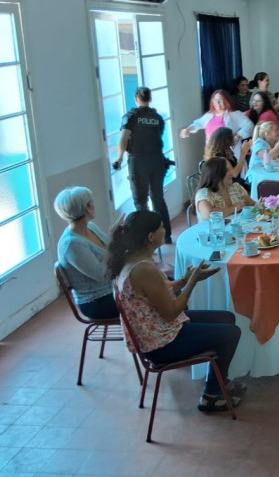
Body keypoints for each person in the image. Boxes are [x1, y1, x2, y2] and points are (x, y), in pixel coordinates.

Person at [107, 210, 244, 413]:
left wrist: (183, 280)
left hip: (157, 329)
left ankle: (219, 379)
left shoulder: (131, 259)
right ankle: (212, 394)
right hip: (160, 343)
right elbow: (171, 312)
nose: (165, 229)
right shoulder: (144, 269)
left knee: (227, 318)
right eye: (161, 227)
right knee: (231, 333)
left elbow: (155, 293)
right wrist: (192, 283)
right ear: (151, 237)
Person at [111, 86, 172, 243]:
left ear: (136, 99)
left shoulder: (131, 116)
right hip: (157, 160)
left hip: (139, 161)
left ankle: (147, 238)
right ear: (149, 99)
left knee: (140, 201)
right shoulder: (157, 118)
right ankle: (166, 235)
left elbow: (123, 140)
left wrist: (118, 159)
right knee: (158, 198)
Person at [54, 187, 118, 319]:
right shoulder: (72, 244)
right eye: (92, 202)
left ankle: (160, 334)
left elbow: (113, 252)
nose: (94, 205)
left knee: (160, 284)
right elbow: (103, 275)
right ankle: (159, 335)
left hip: (113, 289)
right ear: (87, 208)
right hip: (97, 302)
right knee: (152, 295)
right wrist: (113, 238)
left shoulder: (90, 227)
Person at [180, 89, 253, 142]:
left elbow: (249, 125)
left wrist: (238, 136)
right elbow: (198, 123)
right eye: (215, 100)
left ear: (226, 101)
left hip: (228, 152)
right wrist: (188, 129)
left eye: (220, 101)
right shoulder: (209, 115)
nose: (218, 103)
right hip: (211, 153)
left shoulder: (235, 114)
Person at [204, 127, 252, 192]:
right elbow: (234, 174)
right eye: (232, 136)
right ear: (227, 140)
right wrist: (243, 154)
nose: (234, 137)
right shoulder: (220, 157)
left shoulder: (225, 150)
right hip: (228, 186)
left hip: (233, 182)